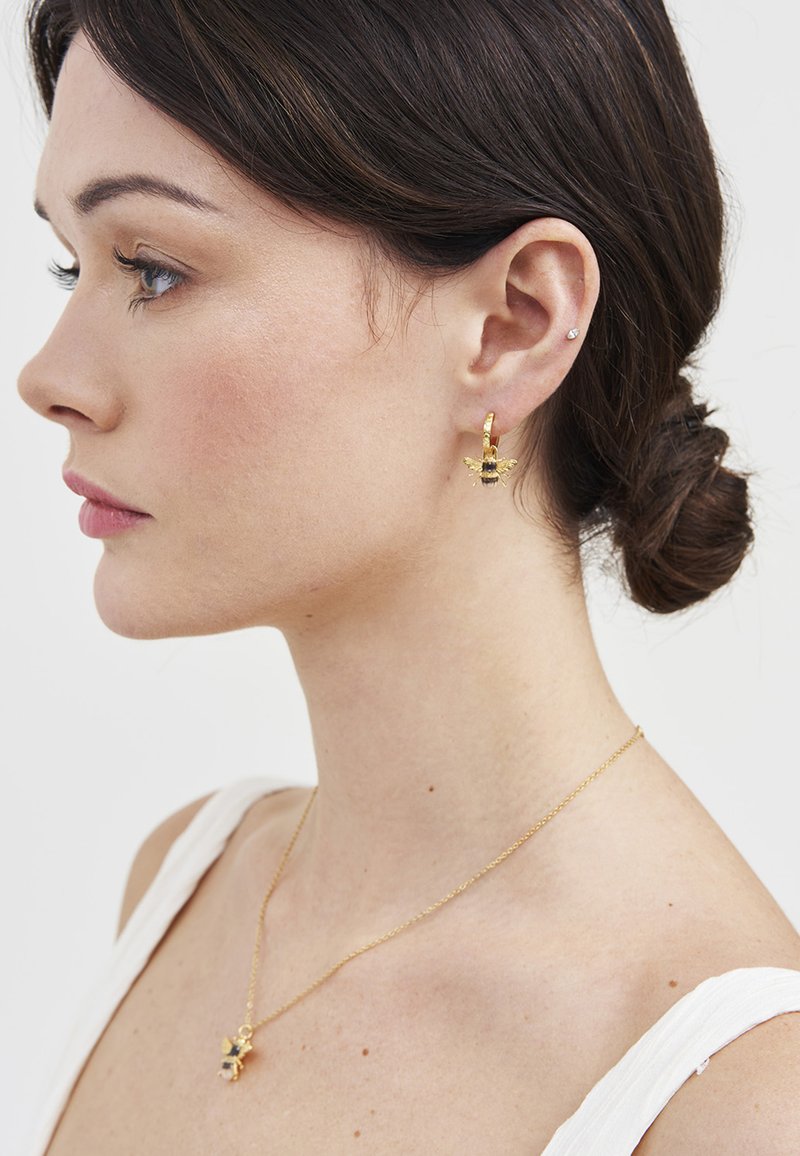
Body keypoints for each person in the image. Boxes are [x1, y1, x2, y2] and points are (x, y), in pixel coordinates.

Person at [18, 0, 800, 1152]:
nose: (48, 378)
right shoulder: (184, 885)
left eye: (153, 269)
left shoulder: (738, 1106)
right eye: (68, 263)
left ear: (510, 325)